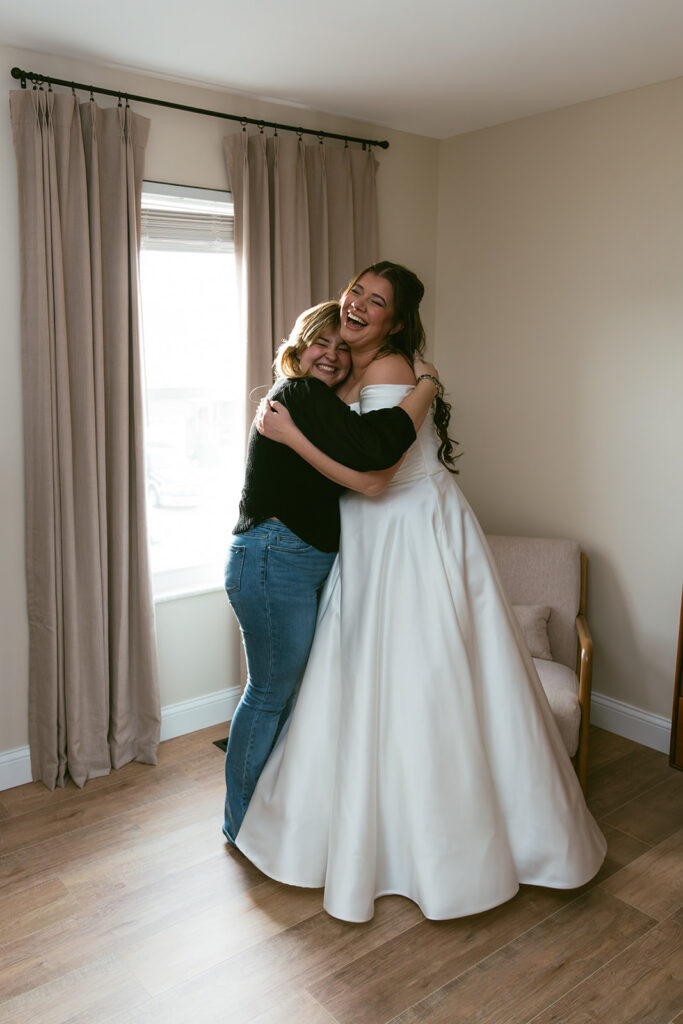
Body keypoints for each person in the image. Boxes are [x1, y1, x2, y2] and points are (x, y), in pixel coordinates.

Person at [232, 261, 607, 923]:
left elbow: (376, 472)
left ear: (395, 321)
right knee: (359, 675)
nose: (357, 304)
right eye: (356, 290)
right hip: (371, 531)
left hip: (403, 530)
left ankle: (432, 844)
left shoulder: (387, 370)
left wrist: (419, 388)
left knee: (417, 676)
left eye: (375, 302)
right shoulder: (345, 370)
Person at [222, 298, 439, 844]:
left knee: (286, 697)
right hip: (274, 559)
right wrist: (426, 389)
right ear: (298, 350)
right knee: (270, 696)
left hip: (286, 562)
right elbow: (376, 448)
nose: (332, 354)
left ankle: (269, 815)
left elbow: (352, 467)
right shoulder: (299, 394)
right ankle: (241, 824)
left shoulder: (312, 407)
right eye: (321, 342)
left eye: (342, 348)